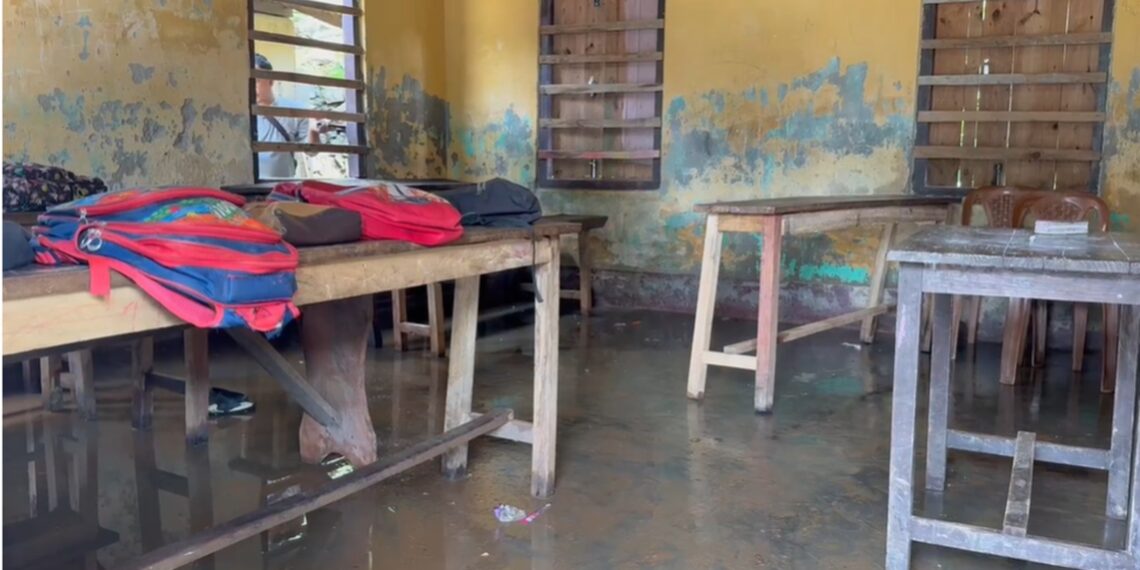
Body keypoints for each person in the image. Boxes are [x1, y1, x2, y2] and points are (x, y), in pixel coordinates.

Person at [254, 53, 330, 179]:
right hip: (247, 190)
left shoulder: (295, 111)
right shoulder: (239, 116)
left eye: (256, 81)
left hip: (282, 190)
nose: (251, 87)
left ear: (271, 81)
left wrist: (313, 131)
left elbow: (312, 151)